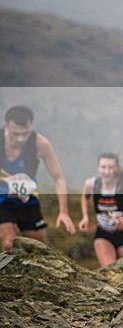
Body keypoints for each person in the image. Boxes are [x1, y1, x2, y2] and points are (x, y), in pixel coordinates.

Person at [0, 105, 76, 250]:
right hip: (2, 200)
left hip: (28, 200)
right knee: (10, 243)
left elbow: (58, 177)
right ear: (6, 126)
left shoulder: (40, 144)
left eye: (25, 133)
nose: (21, 139)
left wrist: (64, 212)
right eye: (15, 134)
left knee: (39, 249)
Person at [78, 153, 123, 267]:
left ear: (116, 168)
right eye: (103, 167)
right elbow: (85, 197)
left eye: (110, 167)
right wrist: (85, 216)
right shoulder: (91, 184)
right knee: (109, 270)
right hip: (103, 233)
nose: (106, 171)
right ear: (98, 168)